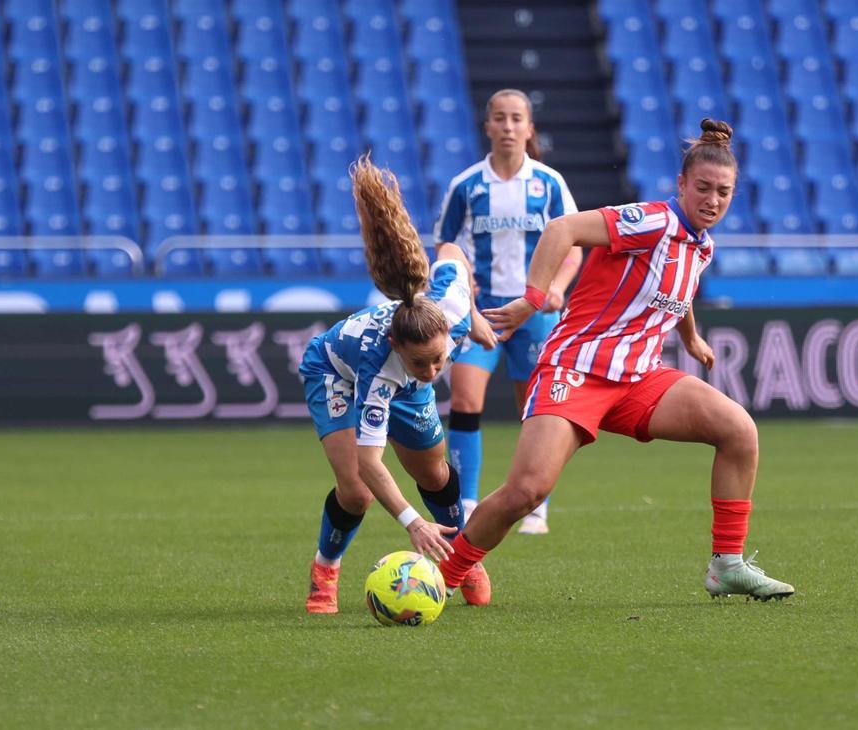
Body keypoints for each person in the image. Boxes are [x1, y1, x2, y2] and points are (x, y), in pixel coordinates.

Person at [437, 119, 796, 602]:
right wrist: (533, 297)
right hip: (576, 368)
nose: (713, 200)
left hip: (638, 379)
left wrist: (691, 338)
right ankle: (446, 574)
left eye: (724, 193)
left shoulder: (701, 245)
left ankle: (727, 565)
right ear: (682, 185)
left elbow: (677, 291)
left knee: (739, 431)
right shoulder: (650, 221)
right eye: (704, 188)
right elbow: (563, 229)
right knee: (526, 492)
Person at [300, 156, 497, 614]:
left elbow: (452, 253)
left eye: (439, 359)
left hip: (403, 371)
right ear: (396, 345)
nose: (434, 372)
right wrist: (412, 522)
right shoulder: (381, 367)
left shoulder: (448, 306)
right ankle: (324, 569)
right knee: (356, 490)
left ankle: (462, 557)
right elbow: (371, 461)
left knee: (434, 472)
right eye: (421, 363)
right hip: (334, 370)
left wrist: (476, 315)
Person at [435, 88, 582, 535]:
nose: (508, 126)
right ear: (487, 127)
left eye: (517, 118)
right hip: (481, 313)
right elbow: (443, 244)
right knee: (464, 399)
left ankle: (537, 504)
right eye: (499, 118)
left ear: (529, 128)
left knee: (536, 410)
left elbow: (573, 245)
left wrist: (555, 289)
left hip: (535, 311)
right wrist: (457, 273)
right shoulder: (466, 186)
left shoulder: (549, 183)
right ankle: (466, 499)